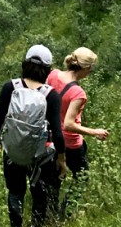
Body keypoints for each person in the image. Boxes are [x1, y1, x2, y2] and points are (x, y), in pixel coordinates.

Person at [0, 43, 69, 227]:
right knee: (39, 194)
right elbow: (58, 134)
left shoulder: (10, 87)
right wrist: (61, 159)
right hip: (40, 156)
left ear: (24, 64)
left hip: (13, 152)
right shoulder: (50, 95)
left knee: (15, 192)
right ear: (48, 70)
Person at [47, 47, 109, 185]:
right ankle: (69, 206)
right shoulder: (77, 93)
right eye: (91, 68)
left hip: (50, 137)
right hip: (70, 143)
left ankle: (52, 205)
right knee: (81, 179)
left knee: (54, 178)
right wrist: (94, 132)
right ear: (86, 68)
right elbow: (69, 124)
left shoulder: (53, 75)